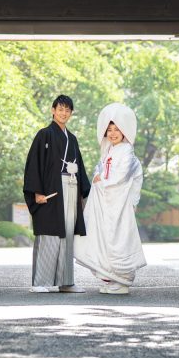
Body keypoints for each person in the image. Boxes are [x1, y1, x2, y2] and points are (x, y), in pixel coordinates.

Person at [74, 102, 146, 295]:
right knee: (102, 238)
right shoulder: (108, 151)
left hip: (118, 204)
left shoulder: (127, 152)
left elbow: (121, 177)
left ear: (124, 131)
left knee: (118, 238)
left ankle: (122, 279)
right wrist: (98, 179)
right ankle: (108, 277)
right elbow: (100, 170)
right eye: (109, 130)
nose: (113, 133)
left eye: (117, 129)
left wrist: (101, 182)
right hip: (105, 203)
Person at [22, 95, 91, 293]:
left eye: (67, 110)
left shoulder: (73, 139)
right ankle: (40, 282)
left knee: (68, 233)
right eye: (60, 109)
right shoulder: (44, 135)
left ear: (71, 113)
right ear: (53, 110)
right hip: (50, 191)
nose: (63, 113)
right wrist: (36, 192)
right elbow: (34, 165)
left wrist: (83, 192)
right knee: (49, 234)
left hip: (70, 186)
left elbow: (81, 168)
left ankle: (66, 281)